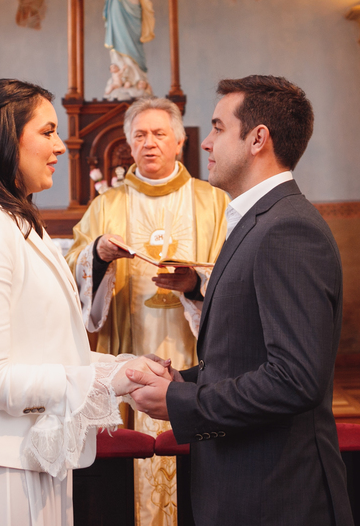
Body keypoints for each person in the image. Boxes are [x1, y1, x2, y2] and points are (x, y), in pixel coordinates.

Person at [0, 79, 167, 526]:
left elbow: (45, 349)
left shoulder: (17, 222)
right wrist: (102, 384)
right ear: (5, 137)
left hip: (31, 452)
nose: (61, 146)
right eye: (47, 131)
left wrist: (123, 368)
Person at [127, 76, 352, 526]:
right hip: (243, 482)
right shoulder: (256, 221)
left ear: (258, 139)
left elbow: (294, 379)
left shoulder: (288, 230)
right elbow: (244, 355)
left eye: (217, 128)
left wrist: (182, 402)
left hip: (277, 493)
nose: (205, 142)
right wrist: (182, 378)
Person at [67, 96, 230, 526]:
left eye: (160, 134)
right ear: (127, 144)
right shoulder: (107, 205)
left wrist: (195, 285)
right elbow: (74, 268)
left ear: (179, 141)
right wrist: (98, 256)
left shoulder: (212, 202)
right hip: (128, 350)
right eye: (140, 135)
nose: (150, 143)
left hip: (194, 359)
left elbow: (236, 276)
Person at [84, 0, 166, 99]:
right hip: (117, 12)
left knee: (135, 44)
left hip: (134, 11)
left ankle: (138, 79)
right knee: (118, 43)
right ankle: (123, 80)